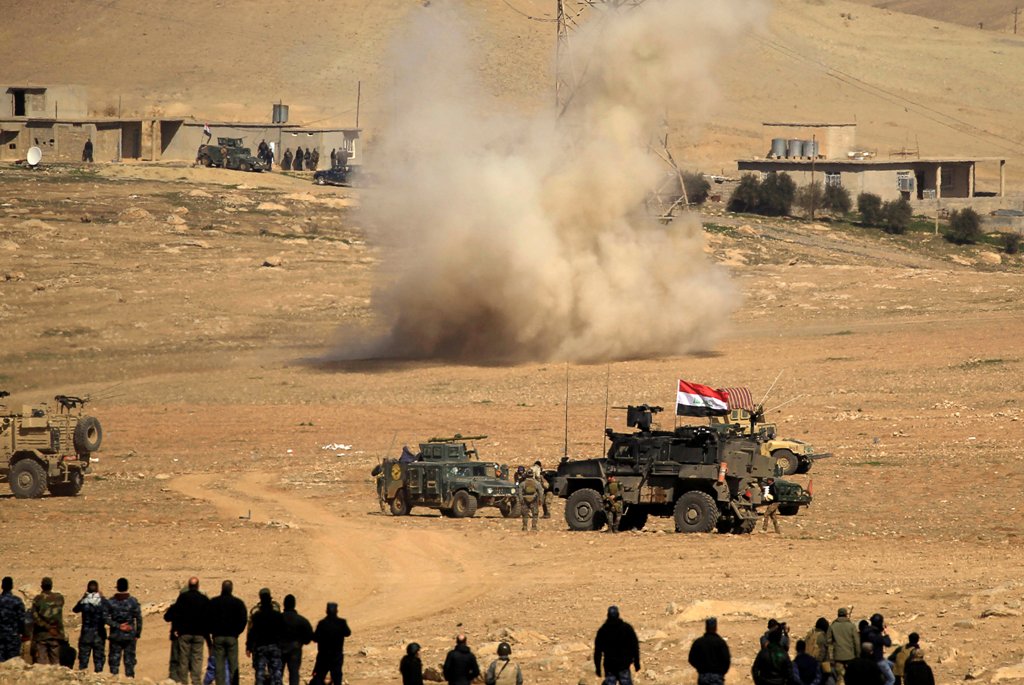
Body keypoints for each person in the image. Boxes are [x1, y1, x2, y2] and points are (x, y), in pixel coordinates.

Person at [164, 576, 209, 685]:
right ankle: (196, 681)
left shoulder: (182, 598)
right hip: (199, 634)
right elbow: (209, 616)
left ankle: (183, 681)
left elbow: (169, 616)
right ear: (197, 586)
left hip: (184, 633)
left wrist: (176, 628)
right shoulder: (203, 599)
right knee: (197, 658)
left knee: (183, 658)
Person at [208, 580, 247, 685]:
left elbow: (206, 618)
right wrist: (237, 632)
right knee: (233, 664)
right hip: (232, 637)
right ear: (231, 589)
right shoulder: (238, 603)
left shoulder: (213, 602)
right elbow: (243, 619)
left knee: (219, 665)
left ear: (222, 588)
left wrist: (212, 631)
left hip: (218, 637)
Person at [594, 605, 640, 685]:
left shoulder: (603, 631)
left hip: (610, 665)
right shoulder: (626, 628)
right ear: (618, 615)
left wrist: (598, 667)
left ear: (608, 615)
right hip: (623, 665)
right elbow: (634, 647)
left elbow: (598, 651)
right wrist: (636, 663)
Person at [247, 589, 285, 685]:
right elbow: (283, 630)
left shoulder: (256, 615)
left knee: (260, 673)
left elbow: (251, 632)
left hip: (260, 647)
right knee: (276, 673)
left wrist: (249, 647)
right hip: (274, 646)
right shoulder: (277, 614)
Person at [106, 577, 142, 678]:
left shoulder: (111, 602)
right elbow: (139, 618)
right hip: (129, 636)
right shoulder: (133, 601)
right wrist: (137, 634)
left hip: (115, 636)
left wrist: (118, 626)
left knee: (114, 664)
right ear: (127, 587)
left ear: (117, 587)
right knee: (129, 663)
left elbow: (105, 618)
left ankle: (114, 681)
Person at [309, 602, 350, 685]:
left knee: (320, 677)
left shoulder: (322, 623)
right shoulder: (341, 622)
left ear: (326, 611)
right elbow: (348, 633)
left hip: (323, 656)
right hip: (337, 656)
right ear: (336, 611)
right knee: (337, 677)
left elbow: (315, 638)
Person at [73, 580, 108, 672]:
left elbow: (75, 609)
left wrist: (83, 597)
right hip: (99, 635)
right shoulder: (102, 602)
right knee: (99, 662)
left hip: (86, 635)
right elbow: (110, 608)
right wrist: (102, 597)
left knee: (83, 663)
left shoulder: (84, 602)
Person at [31, 576, 65, 666]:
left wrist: (47, 627)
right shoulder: (59, 597)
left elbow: (35, 617)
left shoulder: (38, 599)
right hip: (55, 635)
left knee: (42, 664)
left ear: (42, 586)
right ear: (51, 586)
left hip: (42, 635)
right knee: (55, 663)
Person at [280, 594, 313, 685]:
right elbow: (309, 636)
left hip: (280, 649)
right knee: (294, 673)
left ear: (284, 604)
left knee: (278, 674)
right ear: (294, 605)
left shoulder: (277, 619)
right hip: (295, 649)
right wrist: (302, 642)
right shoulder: (301, 620)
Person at [688, 617, 731, 685]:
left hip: (703, 676)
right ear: (715, 627)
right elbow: (726, 660)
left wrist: (700, 668)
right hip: (717, 677)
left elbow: (691, 659)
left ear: (706, 627)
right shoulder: (720, 642)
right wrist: (721, 672)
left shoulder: (699, 642)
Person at [827, 608, 859, 685]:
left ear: (838, 615)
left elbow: (828, 641)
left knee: (840, 678)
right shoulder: (851, 626)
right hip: (850, 656)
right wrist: (857, 655)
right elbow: (857, 642)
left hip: (838, 656)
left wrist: (831, 656)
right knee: (851, 677)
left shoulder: (833, 626)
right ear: (846, 615)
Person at [0, 576, 27, 662]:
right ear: (11, 586)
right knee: (13, 663)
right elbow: (22, 619)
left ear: (2, 586)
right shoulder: (17, 601)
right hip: (13, 637)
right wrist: (24, 633)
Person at [862, 614, 893, 685]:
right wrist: (886, 633)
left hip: (869, 659)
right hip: (878, 660)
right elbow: (888, 643)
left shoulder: (866, 631)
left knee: (893, 665)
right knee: (891, 679)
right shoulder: (875, 634)